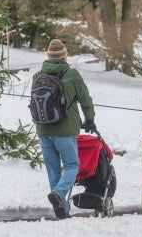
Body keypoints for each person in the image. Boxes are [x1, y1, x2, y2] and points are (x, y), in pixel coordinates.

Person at [34, 39, 96, 219]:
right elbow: (85, 98)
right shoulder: (71, 74)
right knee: (72, 166)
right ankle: (59, 193)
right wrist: (90, 119)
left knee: (53, 170)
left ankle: (62, 210)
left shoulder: (37, 76)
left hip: (43, 130)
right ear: (64, 56)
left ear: (48, 56)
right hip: (65, 130)